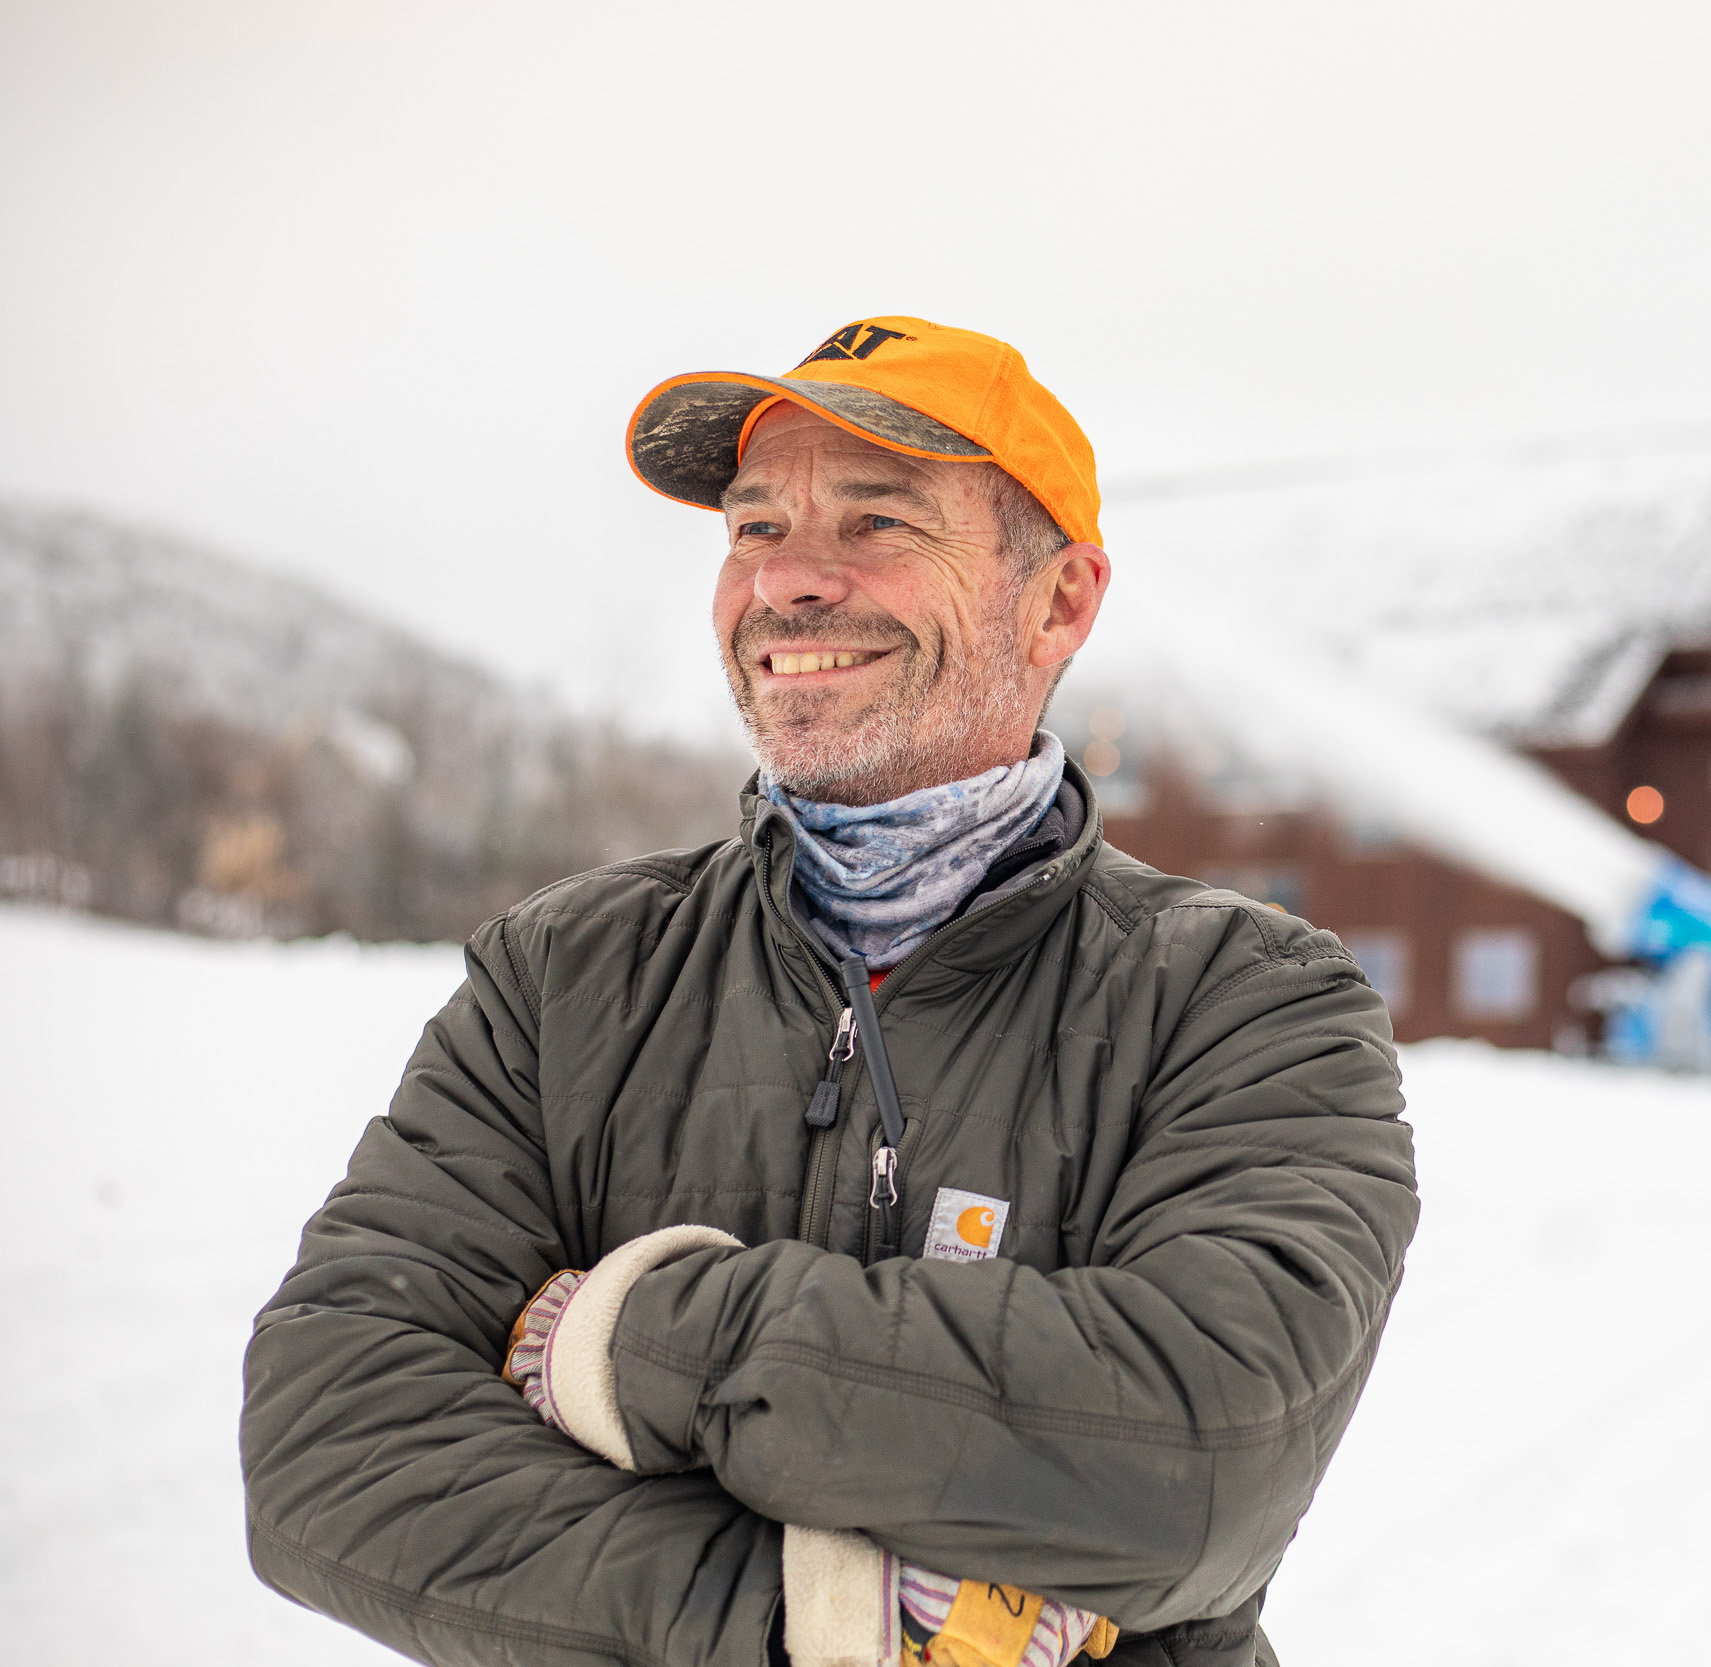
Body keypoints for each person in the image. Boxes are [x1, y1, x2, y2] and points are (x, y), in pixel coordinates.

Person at [240, 317, 1418, 1667]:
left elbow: (1198, 1459)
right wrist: (815, 1624)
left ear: (1059, 602)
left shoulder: (1248, 1003)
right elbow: (329, 1443)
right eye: (754, 527)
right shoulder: (564, 974)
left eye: (879, 522)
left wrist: (625, 1339)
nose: (788, 580)